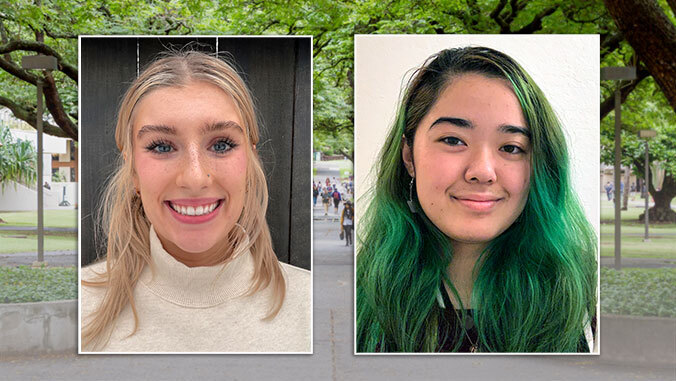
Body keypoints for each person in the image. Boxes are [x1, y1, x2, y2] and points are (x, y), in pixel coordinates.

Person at [356, 47, 597, 353]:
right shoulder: (353, 297)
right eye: (453, 140)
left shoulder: (585, 296)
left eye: (511, 147)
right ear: (408, 155)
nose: (482, 172)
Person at [81, 51, 310, 352]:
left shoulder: (311, 303)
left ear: (250, 160)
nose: (194, 177)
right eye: (162, 146)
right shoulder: (76, 306)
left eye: (222, 144)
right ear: (133, 168)